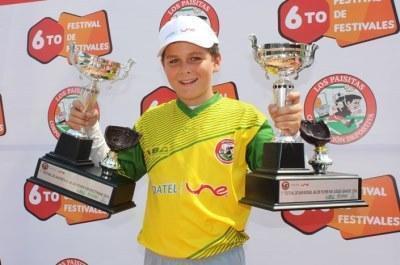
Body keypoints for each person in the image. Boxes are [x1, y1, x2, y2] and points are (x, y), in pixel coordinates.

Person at [68, 15, 303, 265]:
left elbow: (280, 177)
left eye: (195, 58)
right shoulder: (150, 121)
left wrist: (289, 133)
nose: (185, 69)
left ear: (216, 61)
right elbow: (117, 173)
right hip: (158, 255)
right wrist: (90, 127)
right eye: (174, 61)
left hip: (220, 255)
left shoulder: (246, 119)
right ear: (164, 67)